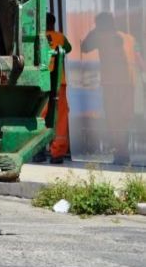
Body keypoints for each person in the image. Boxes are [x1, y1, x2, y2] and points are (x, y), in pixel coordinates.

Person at [81, 12, 143, 164]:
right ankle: (124, 152)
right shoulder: (129, 38)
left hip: (111, 84)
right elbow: (140, 60)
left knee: (113, 120)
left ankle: (120, 154)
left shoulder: (100, 36)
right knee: (125, 118)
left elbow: (84, 47)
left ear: (100, 24)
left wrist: (94, 30)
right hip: (130, 84)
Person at [44, 13, 72, 164]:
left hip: (41, 84)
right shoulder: (60, 37)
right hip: (58, 83)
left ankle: (38, 151)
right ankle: (57, 154)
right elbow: (68, 48)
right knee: (60, 117)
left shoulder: (38, 38)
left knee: (41, 117)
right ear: (53, 24)